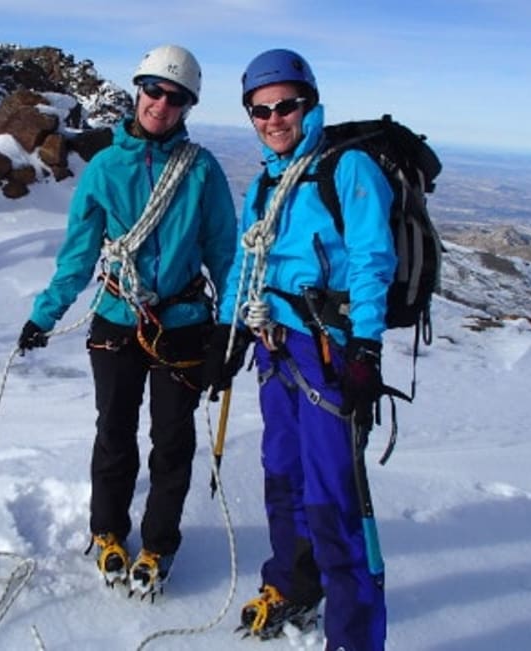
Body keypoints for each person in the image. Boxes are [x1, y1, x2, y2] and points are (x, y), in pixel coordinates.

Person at [17, 44, 237, 598]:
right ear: (138, 91)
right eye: (155, 91)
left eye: (176, 97)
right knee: (114, 435)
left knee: (172, 442)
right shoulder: (104, 169)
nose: (162, 104)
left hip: (185, 323)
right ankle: (108, 532)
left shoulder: (202, 170)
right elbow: (78, 256)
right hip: (117, 320)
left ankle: (159, 544)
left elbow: (225, 255)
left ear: (187, 106)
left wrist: (230, 327)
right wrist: (44, 315)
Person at [202, 49, 396, 649]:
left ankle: (354, 634)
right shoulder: (265, 180)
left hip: (328, 351)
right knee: (282, 474)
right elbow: (247, 260)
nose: (274, 118)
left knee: (335, 492)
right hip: (274, 348)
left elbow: (370, 260)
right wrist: (228, 333)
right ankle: (292, 582)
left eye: (285, 106)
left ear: (308, 103)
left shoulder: (348, 168)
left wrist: (365, 347)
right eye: (260, 110)